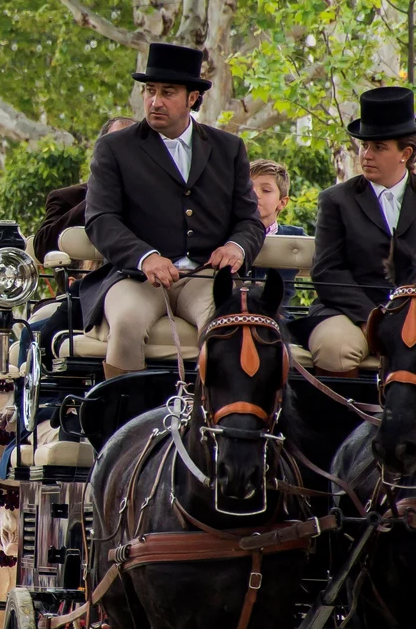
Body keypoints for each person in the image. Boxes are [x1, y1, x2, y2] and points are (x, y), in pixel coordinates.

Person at [83, 42, 264, 380]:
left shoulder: (228, 148)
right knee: (126, 324)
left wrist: (236, 247)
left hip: (205, 275)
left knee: (225, 321)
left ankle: (213, 422)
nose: (155, 101)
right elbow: (100, 219)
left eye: (167, 92)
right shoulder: (114, 148)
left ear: (192, 97)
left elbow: (249, 221)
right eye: (150, 91)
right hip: (136, 277)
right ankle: (127, 424)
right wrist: (145, 257)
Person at [303, 87, 416, 375]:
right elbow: (327, 272)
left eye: (378, 147)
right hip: (354, 312)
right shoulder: (336, 200)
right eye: (364, 145)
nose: (366, 155)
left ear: (405, 153)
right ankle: (343, 419)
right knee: (335, 348)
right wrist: (374, 317)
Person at [33, 116, 137, 256]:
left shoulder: (159, 193)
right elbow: (42, 247)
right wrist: (100, 198)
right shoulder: (65, 198)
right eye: (116, 146)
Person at [250, 160, 307, 237]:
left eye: (266, 190)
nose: (254, 194)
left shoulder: (297, 238)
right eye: (248, 188)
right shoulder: (228, 236)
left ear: (282, 202)